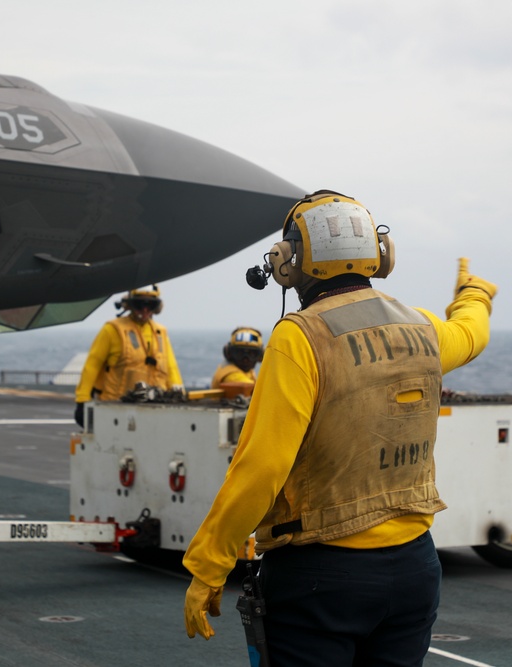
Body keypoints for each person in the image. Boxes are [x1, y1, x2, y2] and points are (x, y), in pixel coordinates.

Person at [183, 190, 496, 666]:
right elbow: (471, 335)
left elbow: (262, 466)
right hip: (415, 569)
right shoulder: (421, 328)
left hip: (320, 577)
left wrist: (209, 565)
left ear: (287, 263)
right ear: (379, 256)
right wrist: (474, 295)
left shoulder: (300, 336)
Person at [74, 285, 184, 426]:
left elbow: (171, 367)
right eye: (140, 304)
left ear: (156, 308)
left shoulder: (160, 332)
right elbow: (93, 364)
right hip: (116, 408)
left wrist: (179, 396)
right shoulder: (112, 330)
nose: (145, 310)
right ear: (130, 305)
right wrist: (82, 400)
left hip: (155, 409)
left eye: (150, 305)